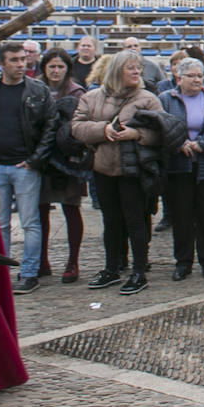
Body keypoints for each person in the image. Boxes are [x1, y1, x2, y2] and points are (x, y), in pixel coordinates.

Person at [71, 50, 165, 295]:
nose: (137, 72)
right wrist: (104, 130)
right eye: (131, 68)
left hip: (134, 170)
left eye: (138, 68)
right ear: (117, 70)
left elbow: (163, 131)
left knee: (136, 221)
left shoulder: (148, 98)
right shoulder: (92, 97)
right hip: (103, 168)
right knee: (110, 220)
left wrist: (137, 135)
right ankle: (112, 267)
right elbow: (77, 127)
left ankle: (139, 271)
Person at [0, 41, 57, 294]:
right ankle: (0, 272)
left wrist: (35, 159)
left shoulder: (37, 90)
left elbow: (51, 127)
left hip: (25, 166)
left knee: (30, 222)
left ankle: (29, 273)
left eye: (23, 59)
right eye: (14, 60)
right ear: (1, 64)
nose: (21, 64)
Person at [159, 58, 204, 281]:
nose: (197, 80)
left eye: (200, 75)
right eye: (191, 75)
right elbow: (161, 125)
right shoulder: (165, 99)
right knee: (181, 215)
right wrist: (179, 143)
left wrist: (200, 143)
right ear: (179, 78)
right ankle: (183, 262)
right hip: (178, 166)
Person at [37, 48, 88, 284]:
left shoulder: (77, 93)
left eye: (60, 66)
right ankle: (41, 259)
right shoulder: (35, 90)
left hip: (69, 160)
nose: (56, 71)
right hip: (42, 159)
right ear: (44, 68)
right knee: (40, 210)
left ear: (67, 68)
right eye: (51, 66)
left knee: (71, 207)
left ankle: (73, 261)